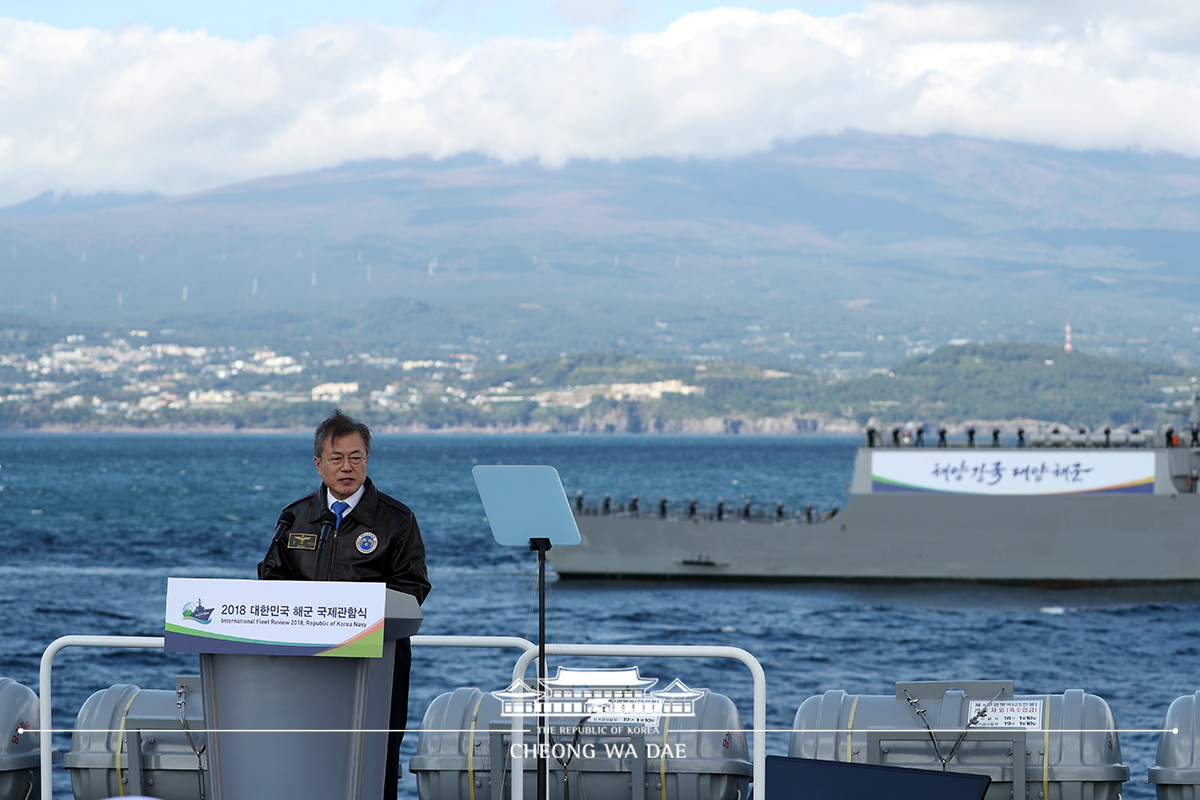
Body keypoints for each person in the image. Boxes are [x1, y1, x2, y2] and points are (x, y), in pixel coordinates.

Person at [257, 410, 430, 800]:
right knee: (306, 752)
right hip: (306, 661)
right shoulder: (295, 517)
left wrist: (358, 615)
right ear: (319, 464)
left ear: (367, 460)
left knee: (374, 758)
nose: (347, 467)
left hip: (376, 660)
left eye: (356, 457)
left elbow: (413, 586)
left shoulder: (396, 520)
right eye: (337, 458)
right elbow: (270, 581)